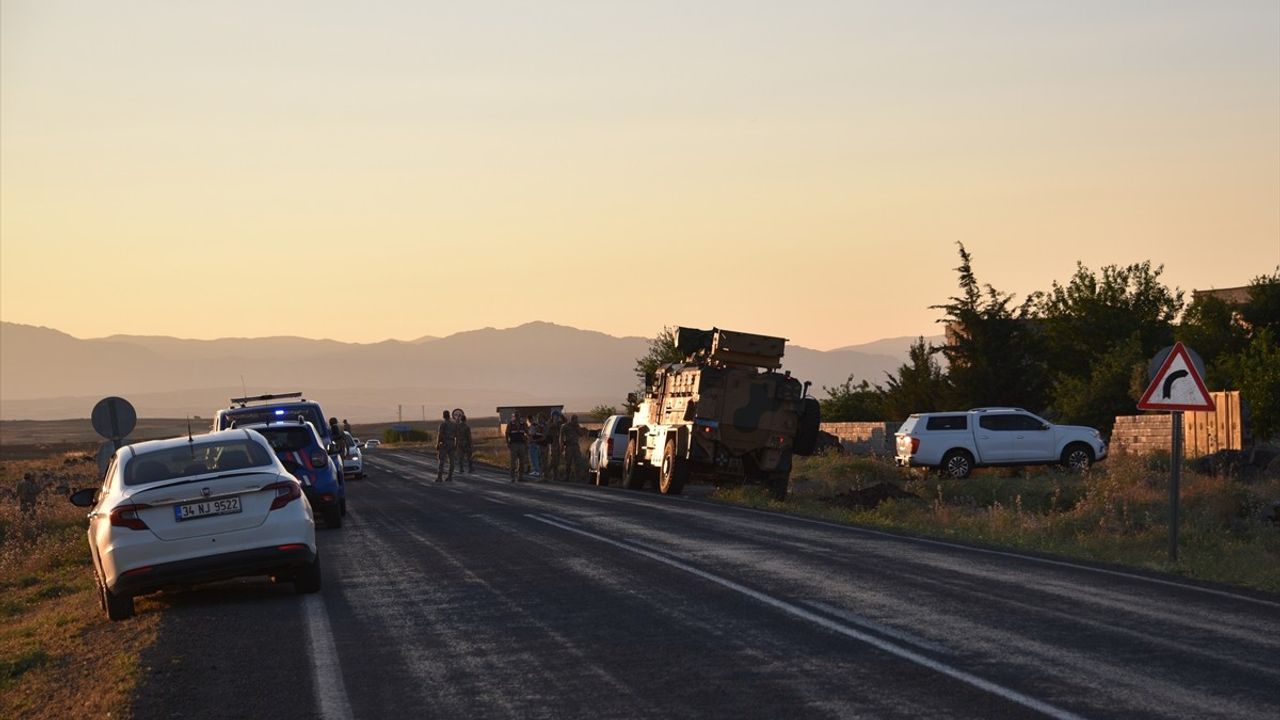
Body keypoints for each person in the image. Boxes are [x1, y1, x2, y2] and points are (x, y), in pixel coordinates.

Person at [505, 412, 529, 483]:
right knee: (513, 461)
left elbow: (527, 433)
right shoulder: (510, 424)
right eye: (515, 416)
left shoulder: (523, 424)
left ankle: (520, 477)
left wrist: (527, 441)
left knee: (522, 461)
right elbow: (507, 434)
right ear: (513, 417)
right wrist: (507, 443)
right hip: (513, 444)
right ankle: (512, 477)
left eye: (518, 416)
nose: (516, 417)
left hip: (522, 444)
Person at [560, 414, 583, 482]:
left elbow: (581, 434)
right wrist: (561, 446)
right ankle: (567, 477)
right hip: (568, 446)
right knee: (568, 462)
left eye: (576, 419)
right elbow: (561, 436)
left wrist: (577, 427)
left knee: (578, 462)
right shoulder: (565, 426)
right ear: (571, 419)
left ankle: (578, 478)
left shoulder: (577, 426)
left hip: (576, 446)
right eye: (574, 419)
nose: (575, 420)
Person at [436, 410, 456, 482]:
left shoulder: (443, 424)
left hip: (444, 443)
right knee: (452, 461)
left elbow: (440, 435)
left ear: (444, 415)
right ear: (449, 415)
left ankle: (439, 477)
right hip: (452, 442)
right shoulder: (454, 424)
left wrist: (438, 444)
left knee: (442, 461)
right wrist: (455, 444)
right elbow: (457, 435)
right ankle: (450, 476)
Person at [545, 411, 564, 480]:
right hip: (553, 443)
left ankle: (555, 476)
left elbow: (565, 422)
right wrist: (554, 422)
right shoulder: (549, 423)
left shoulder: (559, 423)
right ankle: (546, 473)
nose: (556, 417)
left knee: (557, 460)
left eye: (557, 416)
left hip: (558, 442)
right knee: (553, 460)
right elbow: (549, 427)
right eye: (555, 416)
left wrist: (561, 416)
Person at [528, 413, 545, 479]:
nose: (530, 420)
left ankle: (536, 470)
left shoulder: (534, 425)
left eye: (530, 419)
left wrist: (531, 439)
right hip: (536, 443)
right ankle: (536, 470)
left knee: (534, 457)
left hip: (534, 443)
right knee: (534, 457)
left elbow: (532, 434)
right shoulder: (536, 425)